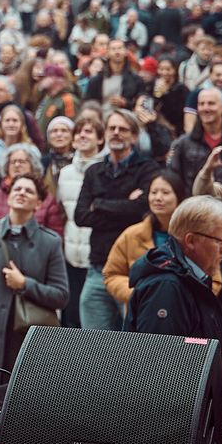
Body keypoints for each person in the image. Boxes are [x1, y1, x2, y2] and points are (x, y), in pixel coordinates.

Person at [0, 173, 68, 410]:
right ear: (7, 197)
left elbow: (61, 295)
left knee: (15, 418)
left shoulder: (50, 242)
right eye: (17, 189)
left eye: (29, 191)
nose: (21, 193)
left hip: (23, 340)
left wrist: (25, 284)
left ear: (38, 203)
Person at [74, 109, 161, 330]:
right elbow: (81, 216)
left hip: (133, 271)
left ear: (134, 136)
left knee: (133, 344)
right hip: (97, 268)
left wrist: (101, 204)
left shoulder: (147, 169)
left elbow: (142, 210)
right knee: (93, 344)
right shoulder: (94, 171)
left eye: (122, 129)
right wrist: (125, 206)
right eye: (112, 128)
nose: (116, 133)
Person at [125, 196, 222, 354]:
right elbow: (159, 360)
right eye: (221, 240)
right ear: (191, 241)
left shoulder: (192, 278)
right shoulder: (166, 287)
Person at [103, 171, 199, 307]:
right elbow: (111, 274)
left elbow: (214, 278)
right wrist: (138, 293)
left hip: (184, 314)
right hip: (140, 313)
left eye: (165, 193)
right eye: (153, 192)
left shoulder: (194, 237)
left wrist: (183, 298)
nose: (158, 198)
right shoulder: (132, 235)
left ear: (179, 197)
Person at [57, 116, 105, 328]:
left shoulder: (106, 171)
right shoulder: (65, 173)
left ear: (100, 139)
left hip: (96, 255)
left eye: (89, 131)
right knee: (72, 316)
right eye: (78, 132)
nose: (82, 136)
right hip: (71, 254)